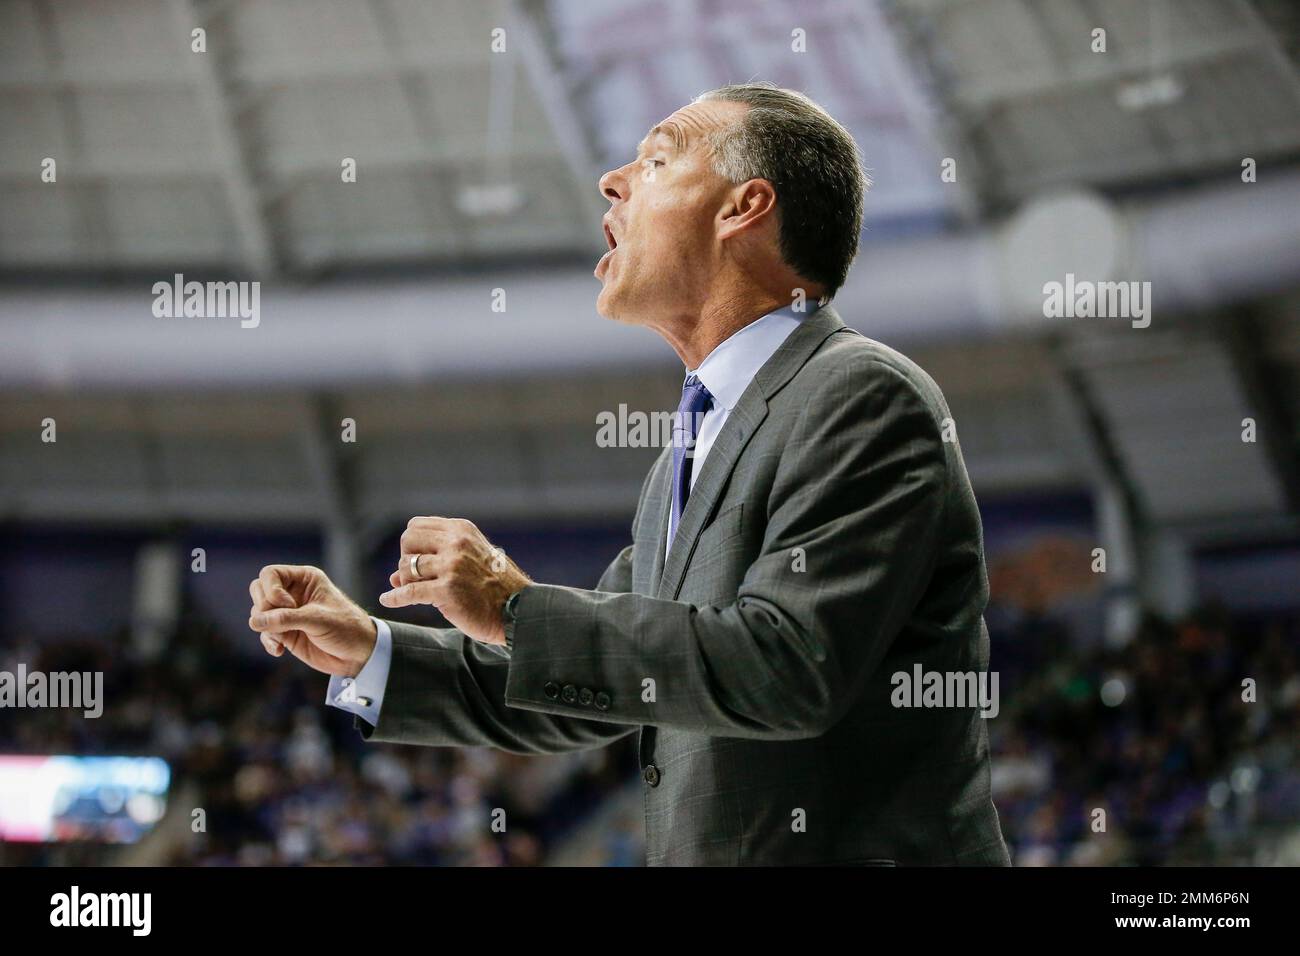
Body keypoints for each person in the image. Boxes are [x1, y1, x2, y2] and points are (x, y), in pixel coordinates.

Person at [249, 83, 1010, 866]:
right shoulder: (690, 448)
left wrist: (514, 604)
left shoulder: (858, 394)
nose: (613, 180)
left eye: (655, 158)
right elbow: (587, 688)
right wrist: (372, 651)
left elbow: (790, 667)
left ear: (742, 207)